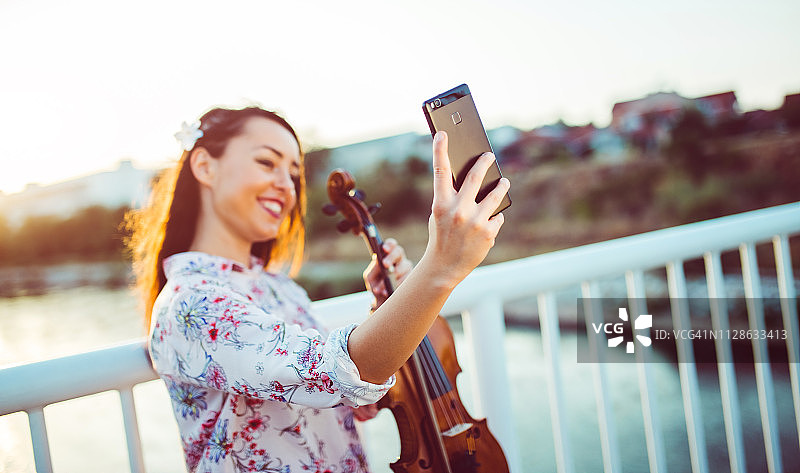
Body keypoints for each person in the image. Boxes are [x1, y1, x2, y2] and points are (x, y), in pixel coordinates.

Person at [125, 106, 509, 473]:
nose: (286, 185)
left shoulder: (280, 289)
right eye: (266, 162)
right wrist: (439, 268)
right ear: (205, 166)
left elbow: (347, 394)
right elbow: (346, 370)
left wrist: (389, 304)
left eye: (293, 172)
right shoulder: (190, 302)